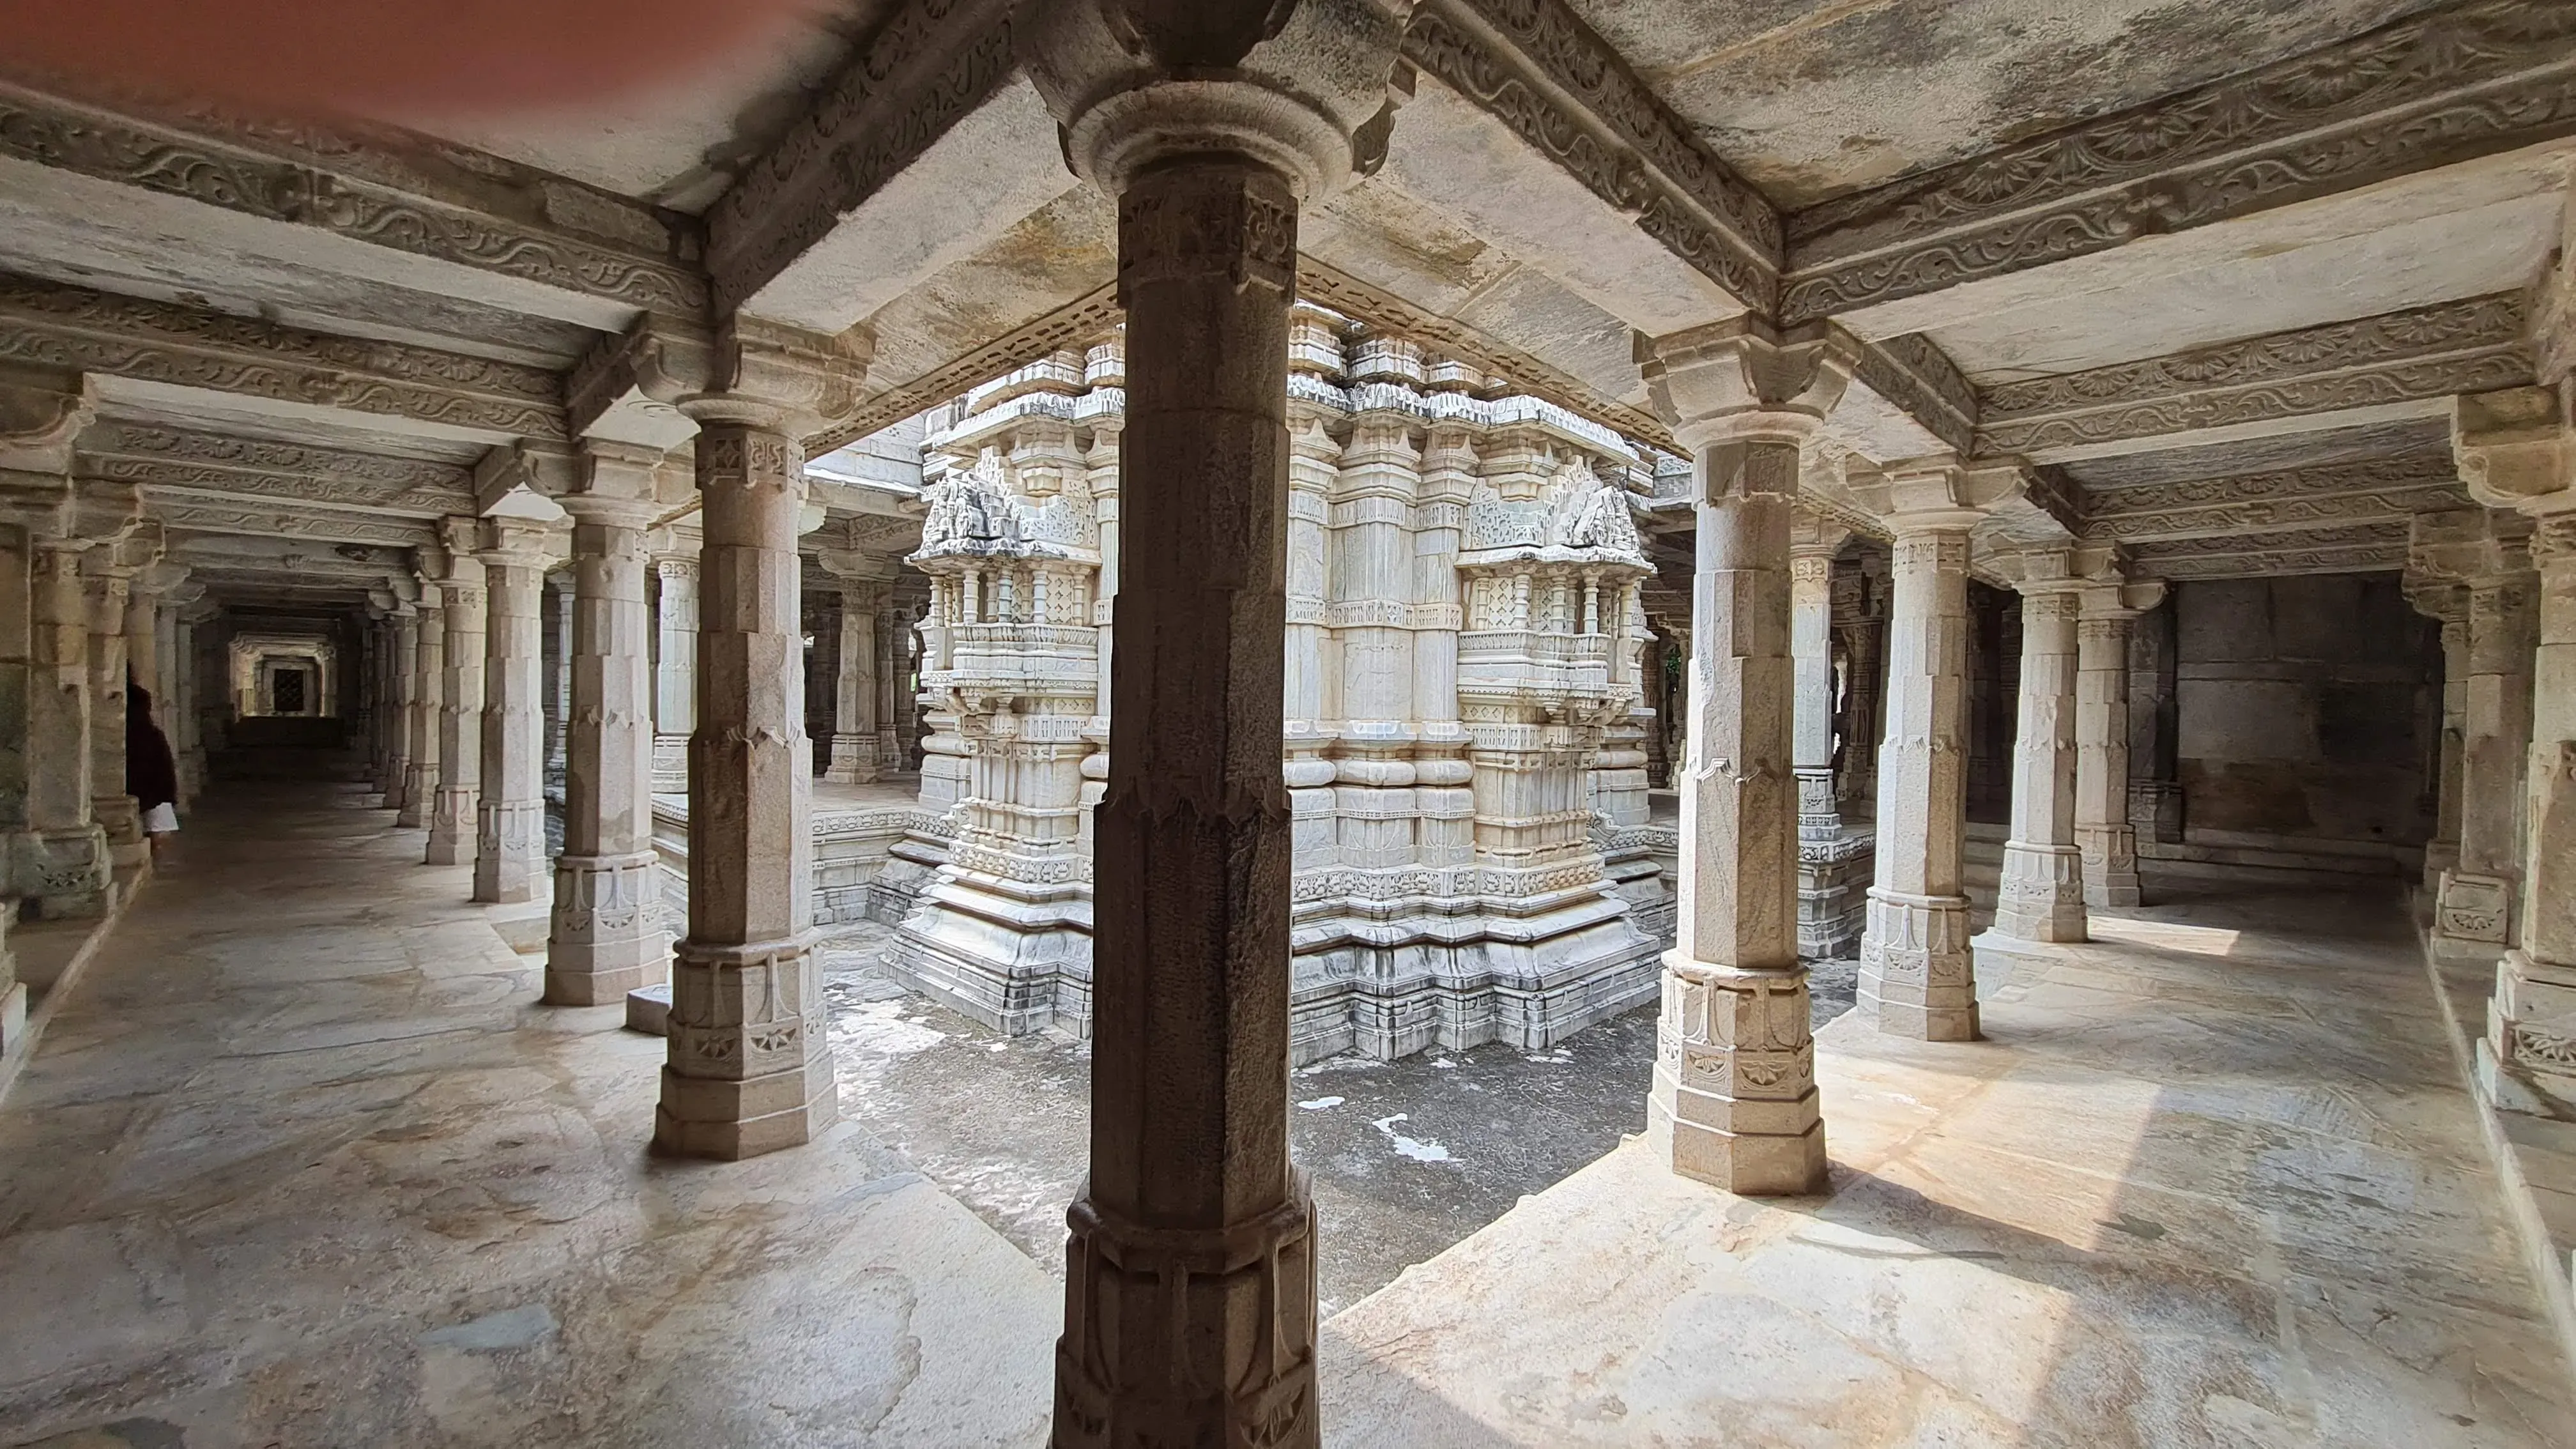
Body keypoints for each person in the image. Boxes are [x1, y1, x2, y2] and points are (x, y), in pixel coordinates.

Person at [127, 679, 181, 856]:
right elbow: (165, 767)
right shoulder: (152, 734)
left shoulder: (144, 735)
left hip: (142, 792)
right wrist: (169, 795)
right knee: (157, 837)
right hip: (153, 793)